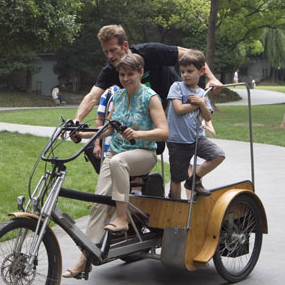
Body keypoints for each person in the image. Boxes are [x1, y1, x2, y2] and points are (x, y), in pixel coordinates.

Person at [63, 54, 169, 279]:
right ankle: (86, 257)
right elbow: (107, 129)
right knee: (99, 202)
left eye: (131, 74)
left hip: (143, 153)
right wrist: (81, 134)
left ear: (141, 72)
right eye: (122, 74)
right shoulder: (118, 96)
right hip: (116, 153)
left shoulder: (150, 98)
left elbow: (164, 131)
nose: (126, 78)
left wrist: (138, 133)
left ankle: (121, 217)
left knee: (118, 161)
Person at [71, 25, 223, 128]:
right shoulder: (111, 69)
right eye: (106, 52)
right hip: (146, 106)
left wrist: (211, 78)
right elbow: (92, 97)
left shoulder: (150, 51)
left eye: (113, 50)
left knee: (178, 141)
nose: (110, 56)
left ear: (125, 45)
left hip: (172, 98)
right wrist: (77, 120)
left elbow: (189, 54)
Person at [166, 50, 225, 199]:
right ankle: (175, 207)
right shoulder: (177, 87)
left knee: (218, 155)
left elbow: (207, 117)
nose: (185, 74)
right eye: (183, 71)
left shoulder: (202, 93)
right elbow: (179, 109)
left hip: (197, 138)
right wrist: (198, 104)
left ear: (201, 71)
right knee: (176, 177)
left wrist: (202, 104)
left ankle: (194, 180)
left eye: (190, 71)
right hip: (177, 141)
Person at [93, 85, 120, 158]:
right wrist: (97, 144)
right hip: (108, 146)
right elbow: (99, 119)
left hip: (131, 147)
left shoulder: (139, 93)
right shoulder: (108, 93)